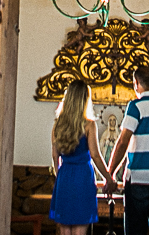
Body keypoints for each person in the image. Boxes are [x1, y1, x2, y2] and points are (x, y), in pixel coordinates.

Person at [106, 66, 149, 235]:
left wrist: (110, 173)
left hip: (138, 180)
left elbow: (123, 142)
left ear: (135, 84)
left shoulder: (136, 107)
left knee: (135, 230)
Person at [49, 80, 118, 235]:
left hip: (64, 176)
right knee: (80, 227)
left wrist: (58, 174)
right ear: (85, 100)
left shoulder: (57, 125)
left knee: (65, 228)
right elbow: (95, 155)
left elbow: (55, 156)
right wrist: (108, 178)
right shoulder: (88, 125)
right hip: (82, 177)